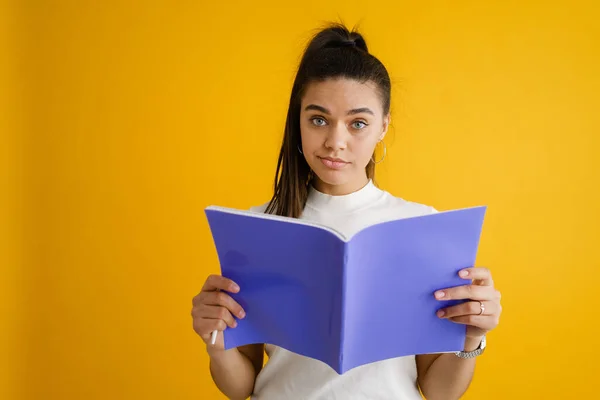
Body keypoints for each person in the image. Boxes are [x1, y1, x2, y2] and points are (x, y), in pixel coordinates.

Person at [191, 23, 502, 400]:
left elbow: (439, 391)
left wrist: (471, 336)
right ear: (298, 120)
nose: (335, 142)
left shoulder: (420, 226)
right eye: (318, 119)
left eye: (358, 123)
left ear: (383, 127)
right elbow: (241, 386)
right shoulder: (260, 225)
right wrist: (216, 340)